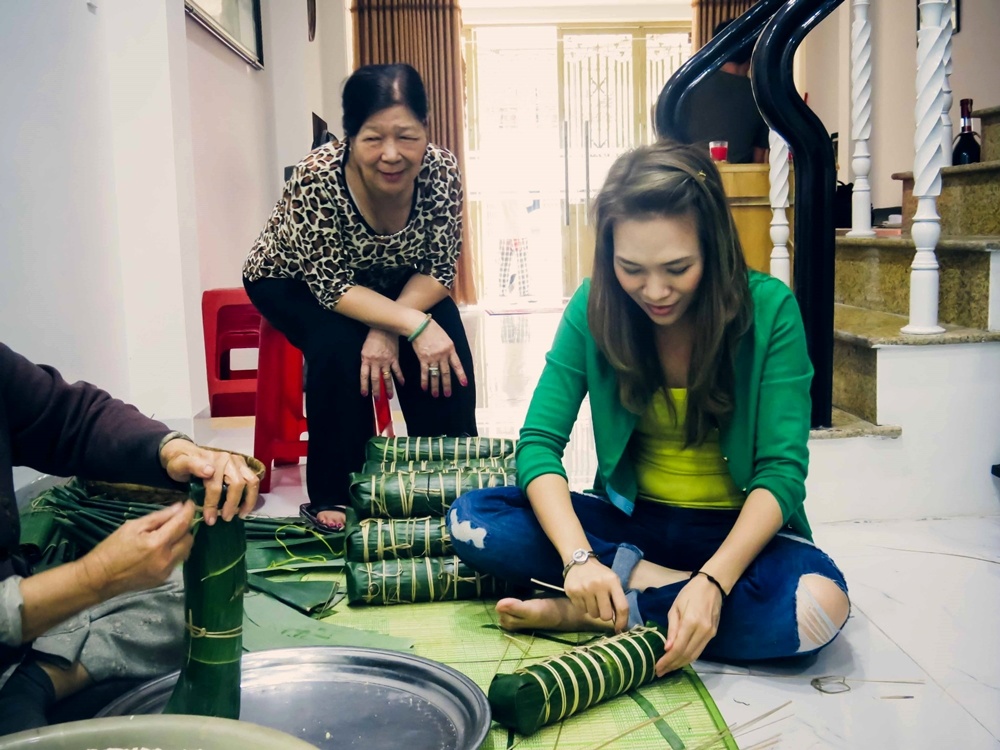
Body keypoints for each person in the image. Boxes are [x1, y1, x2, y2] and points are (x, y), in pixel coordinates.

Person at [447, 141, 849, 677]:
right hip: (633, 527)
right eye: (631, 269)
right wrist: (579, 559)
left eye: (678, 268)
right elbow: (539, 444)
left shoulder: (771, 309)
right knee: (473, 520)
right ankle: (658, 597)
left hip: (737, 537)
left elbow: (782, 473)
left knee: (818, 608)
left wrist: (713, 580)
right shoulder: (593, 306)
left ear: (714, 248)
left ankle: (600, 613)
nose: (655, 291)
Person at [244, 63, 478, 532]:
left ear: (426, 130)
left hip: (394, 279)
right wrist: (408, 323)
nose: (391, 154)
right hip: (295, 280)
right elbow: (331, 287)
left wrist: (389, 326)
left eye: (407, 136)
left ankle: (450, 475)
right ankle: (337, 491)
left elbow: (439, 268)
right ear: (350, 137)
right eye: (373, 138)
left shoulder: (442, 170)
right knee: (339, 346)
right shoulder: (317, 177)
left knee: (444, 337)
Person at [0, 342, 258, 732]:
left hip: (19, 620)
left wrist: (172, 450)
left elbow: (70, 417)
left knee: (178, 601)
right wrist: (94, 578)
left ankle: (30, 684)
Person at [679, 20, 769, 165]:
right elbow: (758, 160)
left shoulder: (686, 89)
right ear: (752, 52)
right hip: (740, 177)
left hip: (693, 175)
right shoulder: (760, 95)